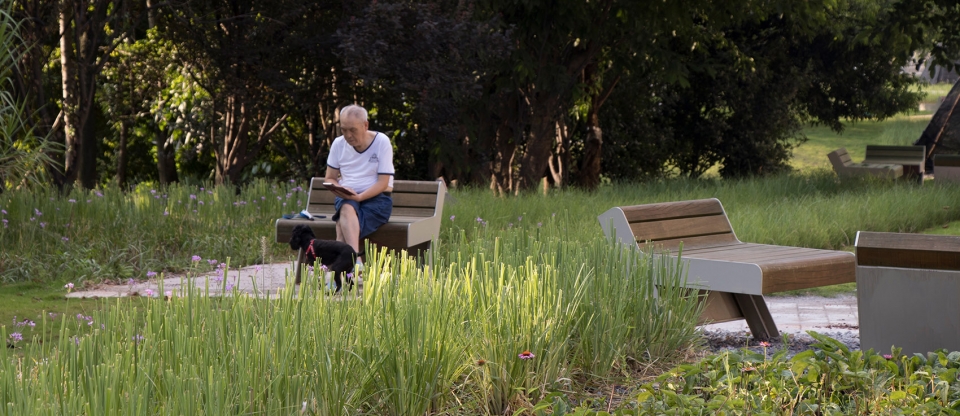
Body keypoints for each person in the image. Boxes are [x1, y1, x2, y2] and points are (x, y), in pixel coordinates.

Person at [324, 105, 394, 270]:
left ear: (365, 125)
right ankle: (355, 261)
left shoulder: (381, 142)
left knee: (342, 224)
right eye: (344, 130)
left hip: (377, 198)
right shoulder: (338, 144)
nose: (348, 135)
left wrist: (360, 197)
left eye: (353, 130)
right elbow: (330, 178)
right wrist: (338, 189)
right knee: (347, 208)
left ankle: (341, 270)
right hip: (347, 195)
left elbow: (383, 183)